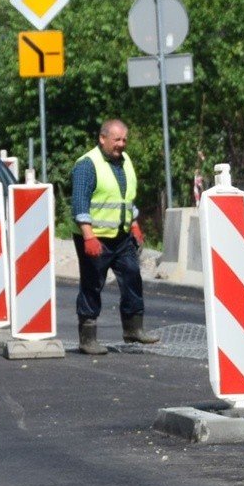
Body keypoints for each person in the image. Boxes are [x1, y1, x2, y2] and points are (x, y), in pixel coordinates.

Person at [71, 118, 160, 355]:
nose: (121, 144)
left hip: (121, 237)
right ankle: (87, 337)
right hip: (94, 238)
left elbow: (125, 199)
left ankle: (133, 329)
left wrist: (134, 224)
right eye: (116, 139)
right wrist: (88, 236)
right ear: (102, 139)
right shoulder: (87, 165)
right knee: (92, 284)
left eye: (124, 140)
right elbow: (79, 203)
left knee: (132, 275)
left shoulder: (125, 161)